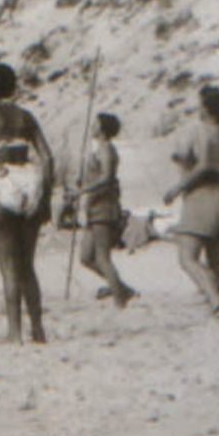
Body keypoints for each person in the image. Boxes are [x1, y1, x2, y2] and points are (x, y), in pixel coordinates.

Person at [0, 62, 54, 344]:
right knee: (27, 265)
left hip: (3, 182)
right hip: (29, 182)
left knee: (8, 266)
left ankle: (15, 332)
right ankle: (38, 329)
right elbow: (48, 158)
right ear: (13, 86)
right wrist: (46, 196)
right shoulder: (25, 117)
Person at [164, 85, 219, 319]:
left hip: (201, 199)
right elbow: (213, 165)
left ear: (207, 108)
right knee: (218, 261)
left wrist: (177, 187)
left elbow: (205, 164)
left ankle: (215, 301)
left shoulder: (202, 130)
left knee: (187, 257)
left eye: (200, 104)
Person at [69, 112, 137, 307]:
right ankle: (121, 289)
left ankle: (119, 300)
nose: (92, 126)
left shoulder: (106, 149)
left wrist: (82, 190)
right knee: (86, 257)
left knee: (102, 257)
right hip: (94, 207)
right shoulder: (99, 150)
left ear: (103, 129)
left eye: (95, 123)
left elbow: (107, 177)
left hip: (104, 207)